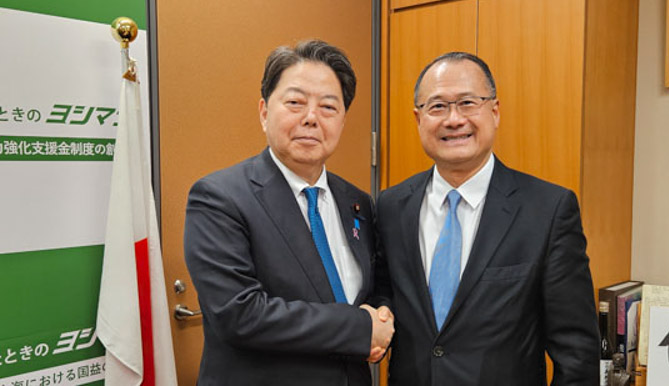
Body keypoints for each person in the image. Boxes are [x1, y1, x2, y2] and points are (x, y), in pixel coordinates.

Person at [373, 52, 599, 385]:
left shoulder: (548, 210)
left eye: (467, 103)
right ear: (418, 119)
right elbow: (385, 297)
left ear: (494, 112)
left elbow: (577, 351)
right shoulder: (391, 206)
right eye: (437, 106)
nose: (453, 119)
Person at [184, 40, 393, 385]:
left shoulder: (356, 201)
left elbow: (370, 291)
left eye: (329, 107)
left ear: (342, 120)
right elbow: (239, 314)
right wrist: (360, 328)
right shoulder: (219, 197)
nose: (311, 119)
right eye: (295, 103)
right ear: (265, 112)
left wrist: (382, 319)